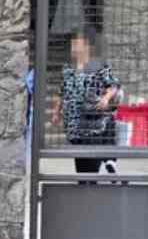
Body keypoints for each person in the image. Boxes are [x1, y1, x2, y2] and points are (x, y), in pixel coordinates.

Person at [52, 26, 121, 176]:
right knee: (82, 171)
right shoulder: (67, 69)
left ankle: (108, 161)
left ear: (87, 46)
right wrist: (56, 112)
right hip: (75, 130)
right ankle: (105, 164)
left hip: (92, 126)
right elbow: (60, 91)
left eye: (76, 44)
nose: (73, 47)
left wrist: (105, 98)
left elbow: (114, 85)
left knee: (90, 171)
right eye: (72, 44)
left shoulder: (99, 67)